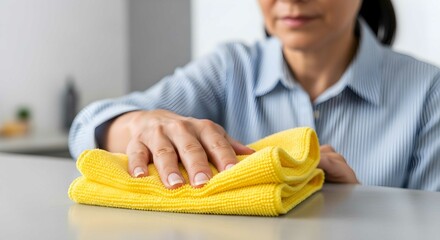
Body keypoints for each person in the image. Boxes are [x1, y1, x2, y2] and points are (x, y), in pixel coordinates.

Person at [69, 0, 440, 191]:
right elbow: (85, 129)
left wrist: (356, 210)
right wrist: (142, 124)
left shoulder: (428, 93)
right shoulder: (229, 69)